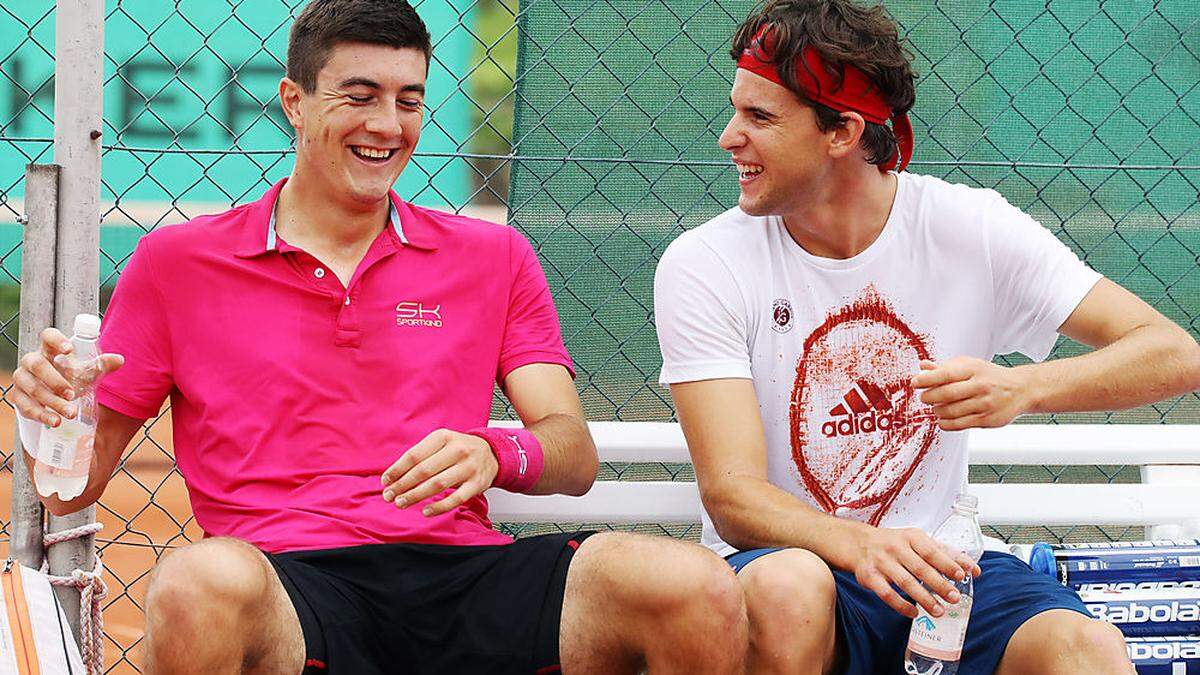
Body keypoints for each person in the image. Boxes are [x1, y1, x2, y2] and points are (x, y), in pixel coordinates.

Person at [10, 1, 749, 673]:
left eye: (409, 100)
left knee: (695, 585)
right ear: (294, 103)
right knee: (197, 580)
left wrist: (495, 450)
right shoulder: (178, 262)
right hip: (293, 588)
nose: (388, 125)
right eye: (358, 96)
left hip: (467, 574)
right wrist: (55, 417)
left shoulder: (492, 256)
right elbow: (67, 484)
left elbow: (573, 453)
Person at [653, 0, 1200, 673]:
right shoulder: (705, 262)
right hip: (795, 564)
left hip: (942, 571)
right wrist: (859, 544)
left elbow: (1175, 353)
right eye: (737, 110)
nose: (728, 137)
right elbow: (733, 496)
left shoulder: (967, 225)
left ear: (842, 131)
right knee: (787, 589)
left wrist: (1022, 386)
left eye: (759, 117)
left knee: (1085, 648)